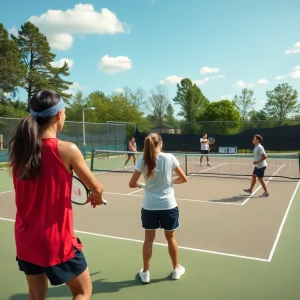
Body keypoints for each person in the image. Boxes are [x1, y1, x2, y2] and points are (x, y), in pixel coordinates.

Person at [8, 90, 105, 300]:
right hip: (56, 241)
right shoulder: (67, 149)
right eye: (65, 112)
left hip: (25, 238)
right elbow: (96, 188)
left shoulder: (19, 149)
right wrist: (96, 195)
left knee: (35, 296)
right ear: (59, 114)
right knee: (82, 291)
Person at [128, 133, 188, 283]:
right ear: (161, 143)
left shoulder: (142, 161)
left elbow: (131, 184)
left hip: (149, 207)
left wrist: (144, 185)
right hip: (169, 206)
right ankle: (176, 269)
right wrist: (169, 181)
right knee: (171, 238)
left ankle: (146, 273)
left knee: (148, 239)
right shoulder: (170, 158)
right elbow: (184, 179)